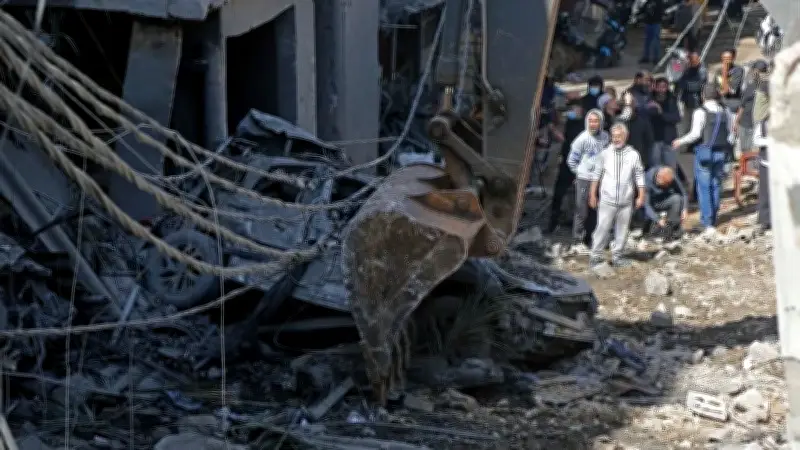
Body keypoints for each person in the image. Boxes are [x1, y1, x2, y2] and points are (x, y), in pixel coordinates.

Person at [672, 85, 735, 235]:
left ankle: (707, 221)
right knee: (716, 184)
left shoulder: (700, 112)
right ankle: (714, 216)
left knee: (704, 187)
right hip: (721, 153)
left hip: (705, 152)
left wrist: (680, 141)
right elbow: (731, 133)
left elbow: (695, 134)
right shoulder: (726, 111)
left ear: (703, 96)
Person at [548, 76, 605, 232]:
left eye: (575, 109)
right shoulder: (570, 122)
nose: (572, 112)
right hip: (569, 161)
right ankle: (553, 221)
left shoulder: (589, 126)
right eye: (571, 110)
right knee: (559, 191)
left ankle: (588, 227)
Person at [588, 123, 646, 268]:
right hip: (607, 199)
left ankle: (618, 257)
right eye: (613, 136)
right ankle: (595, 256)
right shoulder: (605, 154)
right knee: (602, 228)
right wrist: (592, 194)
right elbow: (596, 175)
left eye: (619, 136)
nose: (616, 139)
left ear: (625, 136)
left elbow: (639, 175)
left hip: (626, 201)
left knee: (622, 230)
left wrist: (641, 195)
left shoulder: (633, 155)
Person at [565, 109, 609, 252]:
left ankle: (590, 238)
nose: (593, 124)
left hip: (599, 179)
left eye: (596, 121)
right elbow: (571, 160)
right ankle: (577, 239)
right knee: (581, 209)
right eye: (590, 121)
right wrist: (580, 173)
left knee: (594, 209)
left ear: (601, 123)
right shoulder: (582, 139)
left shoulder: (605, 137)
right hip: (584, 178)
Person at [675, 49, 707, 201]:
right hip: (687, 103)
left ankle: (694, 142)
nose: (692, 61)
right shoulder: (685, 70)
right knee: (686, 125)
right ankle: (686, 144)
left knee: (697, 126)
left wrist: (686, 83)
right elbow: (678, 82)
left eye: (694, 59)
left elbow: (699, 85)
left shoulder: (702, 70)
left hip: (697, 103)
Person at [733, 60, 770, 159]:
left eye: (761, 71)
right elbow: (742, 105)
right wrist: (736, 122)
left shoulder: (767, 86)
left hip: (758, 125)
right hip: (745, 123)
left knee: (754, 154)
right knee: (745, 152)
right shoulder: (750, 86)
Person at [642, 165, 688, 241]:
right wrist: (658, 219)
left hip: (666, 199)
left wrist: (684, 209)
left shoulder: (670, 175)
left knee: (677, 198)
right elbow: (646, 205)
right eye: (665, 184)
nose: (668, 186)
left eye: (669, 184)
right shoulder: (647, 179)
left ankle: (672, 227)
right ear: (658, 178)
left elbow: (683, 193)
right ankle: (652, 229)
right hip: (653, 204)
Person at [649, 77, 681, 168]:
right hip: (655, 138)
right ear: (655, 87)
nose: (662, 90)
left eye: (664, 87)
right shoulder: (650, 100)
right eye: (659, 87)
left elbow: (676, 118)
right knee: (656, 167)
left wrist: (661, 113)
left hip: (669, 138)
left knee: (671, 167)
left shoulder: (672, 99)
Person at [752, 76, 770, 232]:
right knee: (765, 193)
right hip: (767, 162)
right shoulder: (763, 123)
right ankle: (765, 220)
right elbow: (756, 140)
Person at [619, 92, 656, 169]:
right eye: (625, 103)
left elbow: (649, 141)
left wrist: (645, 160)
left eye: (631, 102)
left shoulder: (643, 121)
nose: (628, 105)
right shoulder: (617, 121)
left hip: (639, 160)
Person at [713, 49, 745, 118]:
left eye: (728, 58)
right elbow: (715, 87)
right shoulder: (718, 71)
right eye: (724, 58)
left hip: (732, 105)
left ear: (733, 58)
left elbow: (730, 90)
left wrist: (725, 73)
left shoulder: (738, 70)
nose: (726, 60)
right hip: (720, 105)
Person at [639, 0, 666, 64]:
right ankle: (646, 57)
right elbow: (642, 10)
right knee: (647, 41)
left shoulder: (659, 2)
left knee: (656, 40)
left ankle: (656, 58)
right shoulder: (648, 2)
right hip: (648, 23)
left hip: (656, 23)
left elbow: (662, 11)